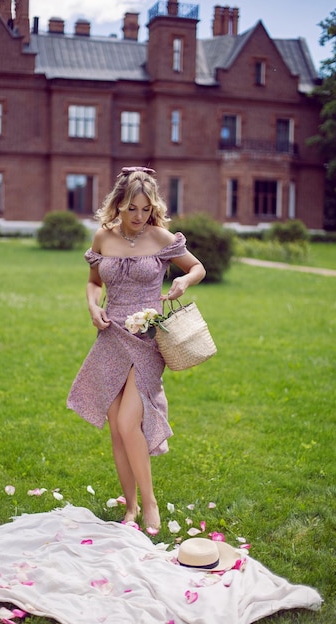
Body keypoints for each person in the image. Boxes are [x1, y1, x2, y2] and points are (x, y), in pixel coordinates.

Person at [67, 166, 206, 532]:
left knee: (130, 421)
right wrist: (92, 306)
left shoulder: (160, 237)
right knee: (116, 426)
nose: (139, 216)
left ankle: (150, 504)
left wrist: (182, 284)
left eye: (145, 209)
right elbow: (94, 282)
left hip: (146, 338)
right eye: (132, 209)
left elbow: (197, 268)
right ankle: (129, 508)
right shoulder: (103, 238)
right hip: (111, 335)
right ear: (119, 204)